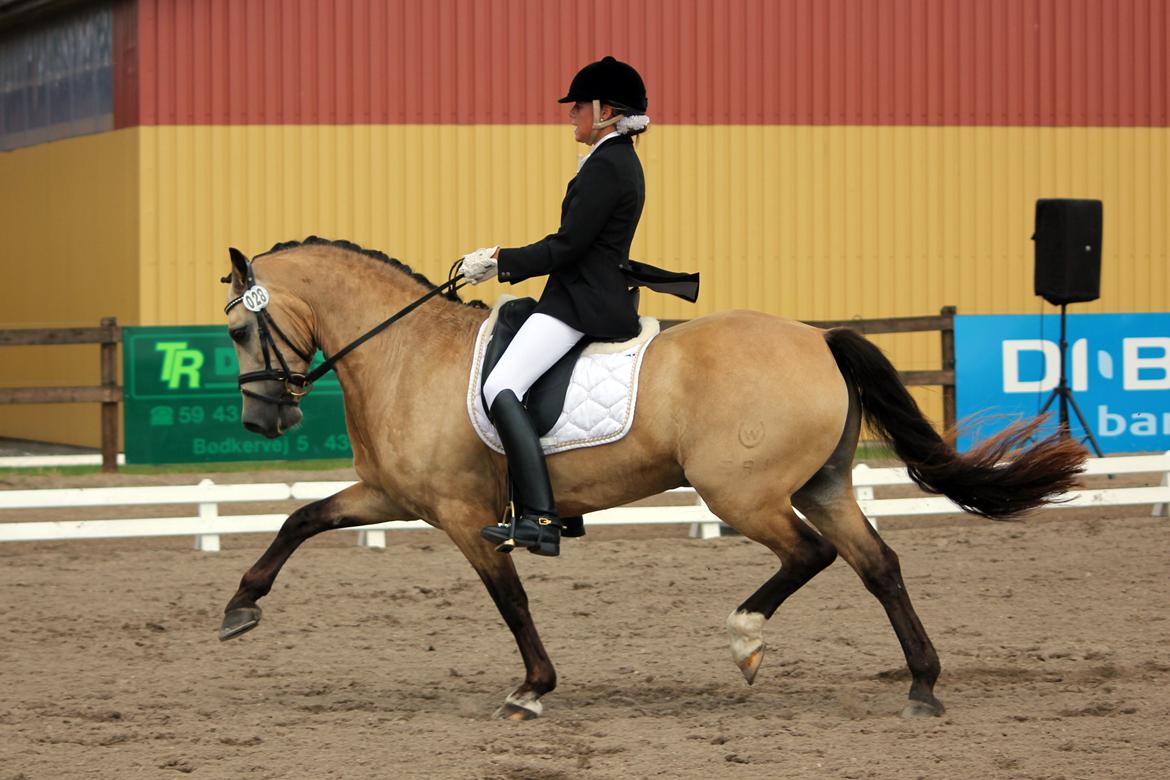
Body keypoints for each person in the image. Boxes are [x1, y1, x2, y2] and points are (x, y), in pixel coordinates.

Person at [460, 56, 696, 558]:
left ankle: (541, 518)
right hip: (583, 294)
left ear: (606, 111)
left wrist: (500, 260)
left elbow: (567, 247)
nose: (570, 116)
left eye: (578, 108)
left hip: (582, 302)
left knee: (501, 384)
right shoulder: (612, 159)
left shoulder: (609, 165)